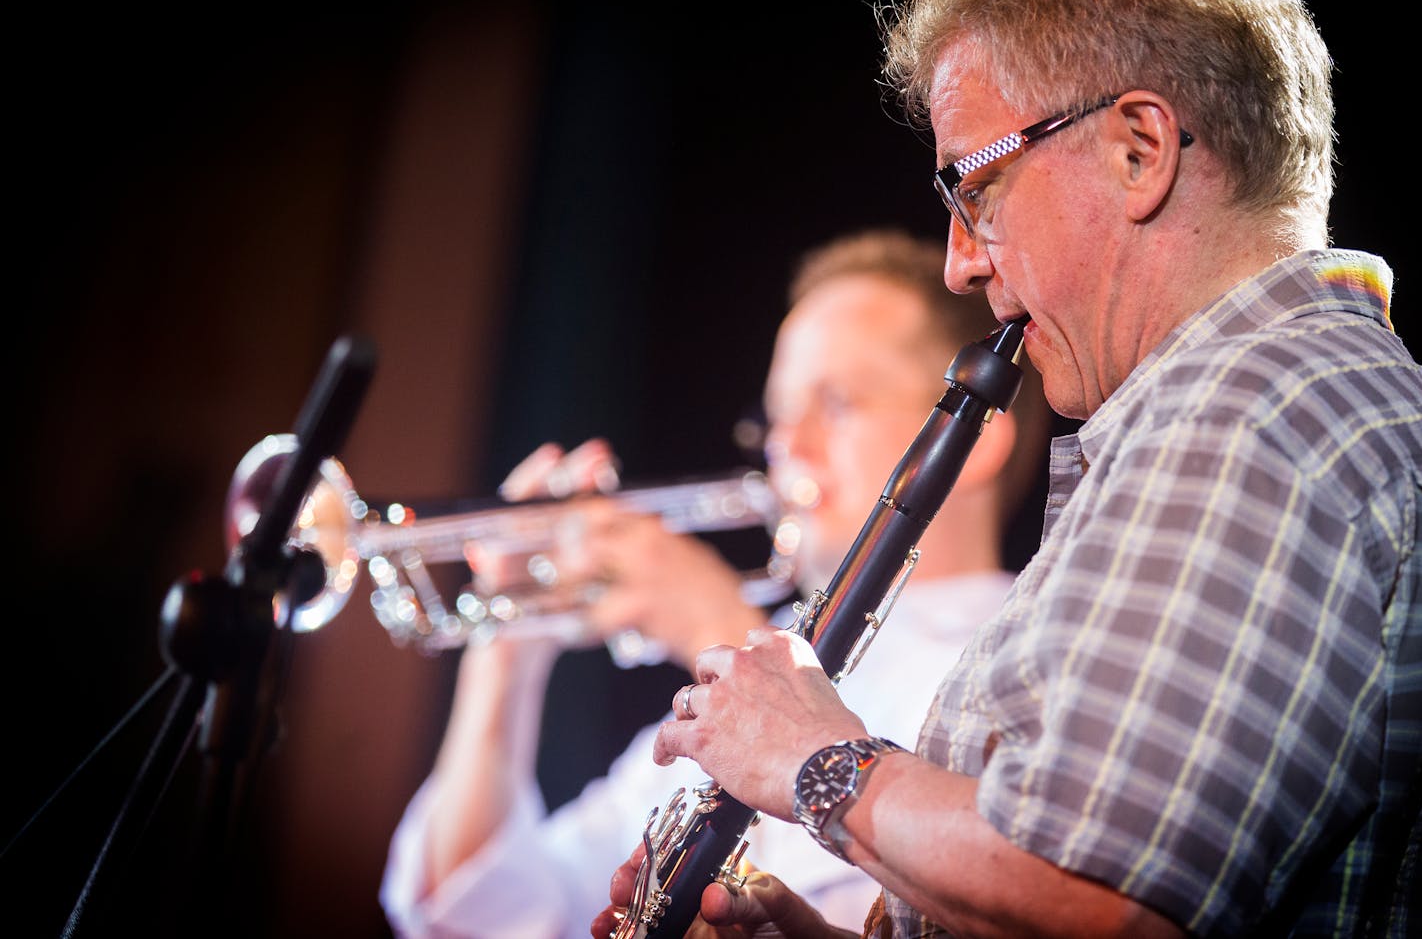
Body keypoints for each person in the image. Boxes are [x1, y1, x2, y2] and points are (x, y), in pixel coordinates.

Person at [593, 0, 1422, 937]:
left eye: (975, 191)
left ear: (1137, 152)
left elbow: (1105, 900)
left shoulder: (1259, 408)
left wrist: (815, 758)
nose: (960, 264)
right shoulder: (1251, 408)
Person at [378, 229, 1051, 936]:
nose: (788, 447)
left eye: (837, 402)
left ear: (972, 440)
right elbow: (469, 915)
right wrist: (509, 637)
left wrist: (715, 628)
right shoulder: (740, 666)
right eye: (778, 416)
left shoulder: (1016, 655)